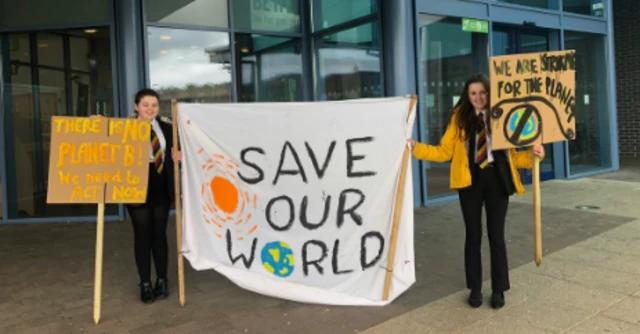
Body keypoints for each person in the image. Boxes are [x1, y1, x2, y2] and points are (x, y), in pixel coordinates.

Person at [408, 73, 544, 309]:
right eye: (473, 93)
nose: (479, 97)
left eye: (482, 92)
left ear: (489, 93)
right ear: (467, 95)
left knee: (496, 237)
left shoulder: (501, 114)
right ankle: (475, 289)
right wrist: (416, 148)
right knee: (473, 236)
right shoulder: (459, 117)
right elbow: (444, 152)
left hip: (497, 179)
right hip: (469, 180)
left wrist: (534, 155)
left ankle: (499, 289)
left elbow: (514, 158)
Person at [126, 88, 182, 304]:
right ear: (136, 107)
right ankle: (145, 283)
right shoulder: (125, 128)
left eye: (154, 105)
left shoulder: (168, 129)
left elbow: (177, 152)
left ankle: (162, 279)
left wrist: (178, 156)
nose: (150, 108)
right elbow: (100, 135)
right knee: (142, 234)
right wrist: (96, 121)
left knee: (159, 234)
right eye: (146, 104)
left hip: (160, 183)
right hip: (135, 185)